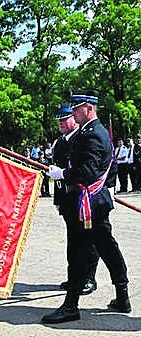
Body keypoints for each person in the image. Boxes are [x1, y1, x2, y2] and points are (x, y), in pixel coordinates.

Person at [43, 90, 131, 324]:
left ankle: (71, 305)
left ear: (88, 108)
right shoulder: (89, 131)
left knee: (78, 252)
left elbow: (87, 173)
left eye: (75, 108)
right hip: (93, 203)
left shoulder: (93, 134)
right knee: (107, 248)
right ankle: (122, 296)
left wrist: (62, 174)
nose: (72, 112)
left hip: (87, 204)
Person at [53, 103, 98, 295]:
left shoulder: (84, 138)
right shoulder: (59, 143)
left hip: (83, 198)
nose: (61, 124)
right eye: (59, 121)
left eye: (64, 119)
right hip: (67, 199)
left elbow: (99, 165)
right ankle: (75, 277)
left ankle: (89, 278)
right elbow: (56, 171)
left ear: (73, 118)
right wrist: (58, 199)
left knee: (88, 240)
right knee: (73, 241)